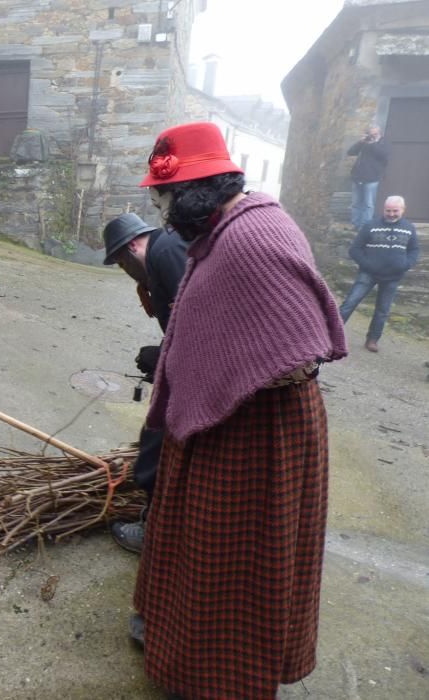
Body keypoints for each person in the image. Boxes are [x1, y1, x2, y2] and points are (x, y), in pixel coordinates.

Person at [130, 122, 347, 700]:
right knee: (197, 554)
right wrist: (188, 362)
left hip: (258, 435)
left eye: (166, 195)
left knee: (234, 570)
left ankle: (222, 681)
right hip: (227, 424)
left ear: (197, 190)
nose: (164, 208)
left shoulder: (253, 238)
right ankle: (183, 654)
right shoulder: (224, 231)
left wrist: (220, 376)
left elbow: (298, 351)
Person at [101, 213, 187, 553]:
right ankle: (164, 521)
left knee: (156, 440)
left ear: (133, 246)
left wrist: (165, 354)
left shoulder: (166, 252)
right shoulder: (161, 256)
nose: (124, 270)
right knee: (160, 438)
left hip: (212, 363)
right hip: (195, 358)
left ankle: (155, 533)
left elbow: (201, 315)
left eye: (121, 261)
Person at [339, 195, 419, 352]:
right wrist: (368, 264)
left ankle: (372, 340)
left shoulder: (409, 229)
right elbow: (355, 249)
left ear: (403, 210)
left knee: (383, 311)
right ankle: (331, 335)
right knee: (349, 303)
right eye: (388, 210)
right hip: (368, 274)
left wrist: (405, 265)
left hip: (393, 277)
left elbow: (414, 250)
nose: (391, 214)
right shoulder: (370, 225)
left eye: (395, 211)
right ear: (383, 209)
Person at [347, 125, 390, 229]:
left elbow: (384, 156)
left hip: (372, 178)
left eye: (375, 134)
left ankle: (365, 226)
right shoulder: (364, 143)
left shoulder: (384, 143)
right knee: (356, 203)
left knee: (368, 204)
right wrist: (360, 142)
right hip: (358, 177)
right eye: (370, 134)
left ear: (380, 133)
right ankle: (355, 224)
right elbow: (350, 152)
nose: (372, 136)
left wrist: (374, 143)